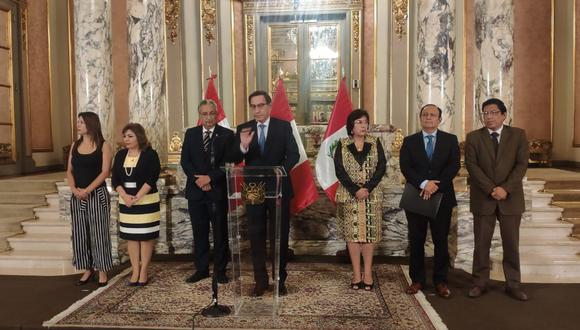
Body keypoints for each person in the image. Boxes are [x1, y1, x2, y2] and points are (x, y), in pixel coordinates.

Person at [229, 90, 299, 296]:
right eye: (253, 106)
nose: (257, 110)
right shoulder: (244, 128)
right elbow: (232, 157)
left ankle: (280, 280)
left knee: (279, 235)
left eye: (261, 105)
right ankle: (260, 280)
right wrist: (243, 145)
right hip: (253, 189)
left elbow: (293, 154)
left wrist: (279, 172)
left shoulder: (283, 126)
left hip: (278, 187)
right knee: (256, 234)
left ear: (269, 106)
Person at [465, 98, 529, 301]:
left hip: (510, 199)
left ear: (503, 115)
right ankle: (479, 283)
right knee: (481, 244)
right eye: (485, 113)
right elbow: (472, 166)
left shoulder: (518, 135)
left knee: (511, 244)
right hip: (484, 198)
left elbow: (521, 165)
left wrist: (505, 189)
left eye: (493, 112)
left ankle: (513, 284)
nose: (489, 116)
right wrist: (492, 188)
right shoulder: (474, 137)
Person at [399, 104, 460, 298]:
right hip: (417, 197)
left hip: (442, 197)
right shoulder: (409, 141)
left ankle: (440, 281)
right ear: (420, 118)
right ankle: (417, 280)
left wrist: (435, 186)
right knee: (416, 240)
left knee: (440, 240)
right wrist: (424, 183)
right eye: (425, 114)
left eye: (433, 115)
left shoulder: (450, 140)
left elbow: (453, 166)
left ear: (439, 119)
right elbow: (406, 167)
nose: (428, 117)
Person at [181, 100, 234, 284]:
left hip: (216, 191)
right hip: (196, 192)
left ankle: (220, 271)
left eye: (212, 113)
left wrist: (210, 178)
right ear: (199, 115)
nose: (209, 117)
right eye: (204, 114)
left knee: (220, 233)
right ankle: (202, 269)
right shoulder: (191, 133)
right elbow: (185, 162)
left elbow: (228, 164)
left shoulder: (227, 135)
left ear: (217, 114)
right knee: (199, 232)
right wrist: (199, 180)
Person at [334, 109, 386, 291]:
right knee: (353, 235)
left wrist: (367, 188)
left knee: (369, 235)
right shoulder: (341, 144)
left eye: (365, 122)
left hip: (371, 195)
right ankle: (356, 273)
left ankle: (368, 273)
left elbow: (381, 167)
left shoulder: (375, 142)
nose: (364, 125)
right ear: (351, 126)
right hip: (350, 196)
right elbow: (339, 170)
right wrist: (356, 190)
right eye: (359, 122)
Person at [66, 112, 113, 287]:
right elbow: (69, 170)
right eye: (77, 121)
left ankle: (102, 270)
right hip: (77, 195)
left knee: (99, 234)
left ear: (91, 124)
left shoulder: (103, 145)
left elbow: (105, 172)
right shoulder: (74, 145)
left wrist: (87, 190)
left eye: (81, 122)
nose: (78, 125)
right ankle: (87, 268)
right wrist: (74, 190)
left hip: (97, 195)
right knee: (80, 234)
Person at [112, 123, 161, 286]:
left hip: (146, 200)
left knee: (145, 237)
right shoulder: (120, 155)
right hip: (126, 201)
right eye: (125, 136)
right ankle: (135, 270)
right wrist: (125, 196)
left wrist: (137, 197)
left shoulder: (150, 154)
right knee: (131, 237)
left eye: (130, 136)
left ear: (139, 137)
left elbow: (152, 178)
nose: (126, 139)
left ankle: (144, 270)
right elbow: (115, 179)